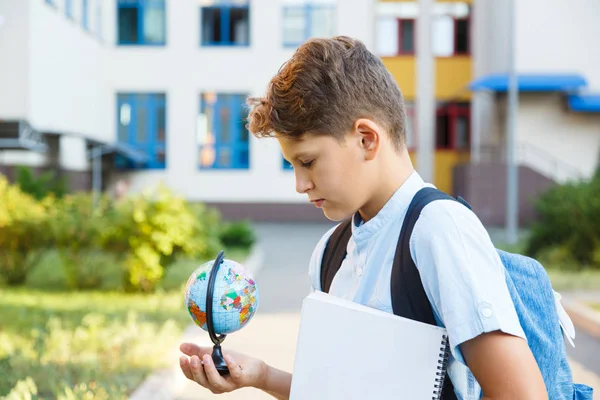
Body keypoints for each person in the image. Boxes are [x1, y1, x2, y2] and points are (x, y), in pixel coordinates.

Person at [179, 36, 554, 399]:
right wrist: (262, 376)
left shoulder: (438, 231)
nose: (300, 184)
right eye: (292, 165)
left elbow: (520, 395)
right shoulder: (330, 253)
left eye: (307, 162)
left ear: (366, 139)